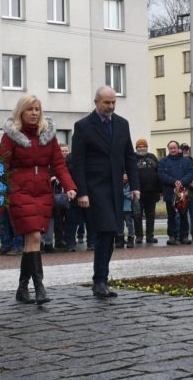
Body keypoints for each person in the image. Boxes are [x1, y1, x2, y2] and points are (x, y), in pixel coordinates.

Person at [0, 94, 76, 305]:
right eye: (29, 109)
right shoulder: (11, 136)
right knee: (33, 237)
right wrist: (1, 191)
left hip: (42, 191)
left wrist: (70, 186)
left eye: (37, 109)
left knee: (31, 242)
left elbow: (59, 165)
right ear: (21, 111)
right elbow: (1, 165)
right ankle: (39, 287)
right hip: (19, 191)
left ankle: (23, 288)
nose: (34, 113)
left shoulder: (48, 135)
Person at [71, 85, 139, 299]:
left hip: (116, 187)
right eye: (106, 102)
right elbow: (78, 162)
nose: (110, 106)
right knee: (106, 229)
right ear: (96, 102)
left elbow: (129, 156)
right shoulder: (83, 126)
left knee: (111, 232)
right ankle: (100, 279)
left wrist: (135, 186)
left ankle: (101, 279)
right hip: (95, 187)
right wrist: (82, 192)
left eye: (113, 102)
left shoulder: (122, 124)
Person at [157, 140, 193, 245]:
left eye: (174, 148)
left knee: (183, 215)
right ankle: (172, 237)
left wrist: (181, 182)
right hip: (170, 192)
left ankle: (184, 236)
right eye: (171, 148)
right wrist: (174, 182)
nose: (173, 150)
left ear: (178, 149)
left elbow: (191, 173)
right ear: (168, 149)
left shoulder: (186, 161)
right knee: (171, 216)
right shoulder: (163, 161)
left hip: (183, 192)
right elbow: (161, 174)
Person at [133, 138, 160, 244]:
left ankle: (150, 236)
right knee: (137, 215)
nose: (142, 148)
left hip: (152, 192)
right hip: (137, 193)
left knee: (151, 216)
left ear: (147, 147)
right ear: (136, 148)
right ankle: (139, 236)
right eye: (139, 146)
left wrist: (160, 190)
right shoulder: (132, 158)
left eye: (144, 146)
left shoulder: (153, 157)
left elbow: (158, 173)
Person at [116, 174, 136, 248]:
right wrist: (126, 194)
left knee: (129, 225)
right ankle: (120, 240)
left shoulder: (131, 185)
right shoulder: (117, 185)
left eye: (126, 177)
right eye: (123, 177)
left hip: (128, 209)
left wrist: (123, 194)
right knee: (120, 225)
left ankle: (131, 239)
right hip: (119, 209)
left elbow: (132, 195)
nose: (124, 179)